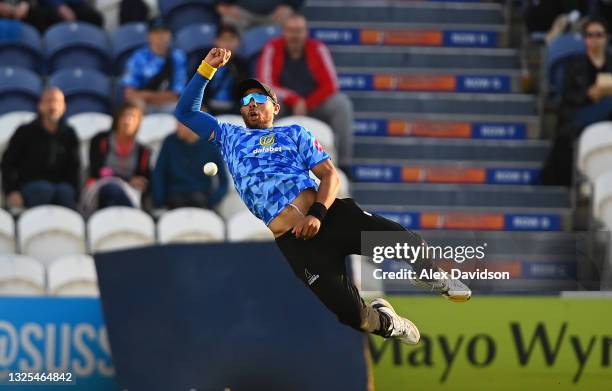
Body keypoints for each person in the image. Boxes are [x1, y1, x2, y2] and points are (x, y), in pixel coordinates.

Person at [175, 48, 471, 345]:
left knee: (406, 242)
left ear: (275, 107)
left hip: (330, 218)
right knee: (354, 317)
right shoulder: (229, 137)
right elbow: (185, 112)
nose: (252, 105)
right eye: (246, 101)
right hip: (298, 243)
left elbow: (330, 175)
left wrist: (317, 214)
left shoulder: (294, 133)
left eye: (260, 99)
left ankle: (433, 277)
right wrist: (206, 69)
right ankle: (389, 322)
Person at [257, 13, 353, 167]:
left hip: (314, 104)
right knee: (264, 103)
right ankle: (262, 157)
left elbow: (331, 85)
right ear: (283, 31)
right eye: (291, 30)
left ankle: (343, 164)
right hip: (284, 104)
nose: (295, 35)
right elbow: (266, 83)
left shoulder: (318, 48)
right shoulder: (272, 48)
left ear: (306, 32)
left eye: (299, 31)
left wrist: (306, 104)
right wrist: (294, 100)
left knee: (341, 104)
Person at [542, 17, 612, 186]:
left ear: (606, 38)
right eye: (590, 35)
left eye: (598, 35)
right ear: (584, 39)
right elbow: (567, 97)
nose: (594, 40)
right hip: (581, 113)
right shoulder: (574, 65)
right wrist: (588, 95)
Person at [1, 87, 80, 210]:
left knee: (66, 192)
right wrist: (12, 191)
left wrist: (77, 195)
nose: (53, 106)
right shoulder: (24, 131)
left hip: (60, 188)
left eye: (57, 101)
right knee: (44, 190)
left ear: (64, 107)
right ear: (40, 106)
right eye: (49, 101)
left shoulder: (69, 134)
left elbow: (75, 168)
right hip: (29, 187)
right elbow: (8, 164)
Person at [83, 103, 151, 213]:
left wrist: (140, 183)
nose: (127, 121)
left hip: (130, 192)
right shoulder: (100, 140)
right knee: (112, 188)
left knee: (115, 201)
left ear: (138, 123)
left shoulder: (143, 151)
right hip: (100, 188)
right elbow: (98, 171)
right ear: (117, 119)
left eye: (132, 117)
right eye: (124, 116)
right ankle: (134, 216)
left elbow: (143, 180)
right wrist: (128, 179)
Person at [152, 122, 229, 209]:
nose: (177, 127)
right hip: (173, 197)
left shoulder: (211, 145)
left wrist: (211, 201)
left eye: (181, 124)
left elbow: (224, 182)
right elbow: (158, 173)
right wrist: (160, 201)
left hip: (202, 198)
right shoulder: (170, 142)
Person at [121, 17, 187, 114]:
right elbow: (129, 93)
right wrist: (143, 99)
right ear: (149, 35)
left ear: (170, 34)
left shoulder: (178, 56)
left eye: (164, 32)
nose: (160, 36)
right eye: (156, 32)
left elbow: (177, 94)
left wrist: (146, 95)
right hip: (143, 105)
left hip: (170, 105)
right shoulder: (138, 57)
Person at [202, 24, 248, 116]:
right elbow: (198, 85)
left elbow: (246, 90)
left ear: (238, 42)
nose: (228, 43)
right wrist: (202, 105)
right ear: (216, 41)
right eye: (223, 39)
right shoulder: (206, 61)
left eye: (231, 39)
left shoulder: (242, 65)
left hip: (234, 110)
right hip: (208, 108)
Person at [215, 0, 303, 32]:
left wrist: (288, 6)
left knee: (289, 17)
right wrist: (222, 5)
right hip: (243, 13)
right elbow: (221, 6)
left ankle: (280, 55)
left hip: (274, 14)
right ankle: (237, 59)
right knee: (229, 19)